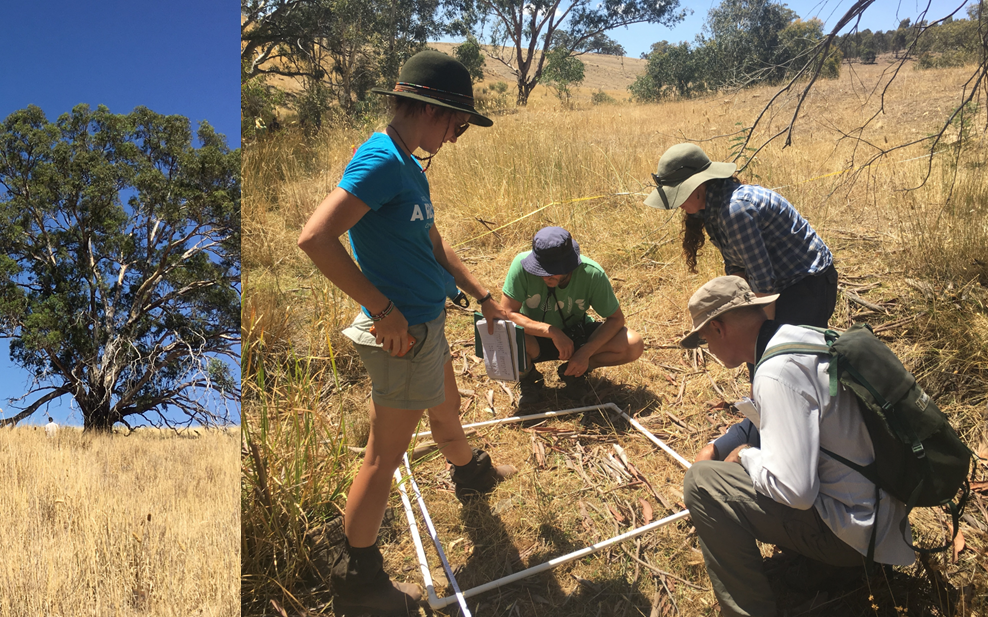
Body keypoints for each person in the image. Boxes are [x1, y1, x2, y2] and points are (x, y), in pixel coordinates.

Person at [291, 49, 520, 615]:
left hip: (427, 322)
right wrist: (382, 309)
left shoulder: (407, 162)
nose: (457, 136)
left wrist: (484, 296)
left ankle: (470, 472)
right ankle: (358, 582)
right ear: (433, 110)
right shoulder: (383, 161)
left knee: (448, 407)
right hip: (405, 334)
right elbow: (315, 238)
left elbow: (433, 242)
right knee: (383, 456)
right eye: (458, 125)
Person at [675, 275, 910, 617]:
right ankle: (826, 567)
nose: (708, 349)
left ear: (720, 328)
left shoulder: (774, 373)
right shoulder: (804, 337)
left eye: (705, 339)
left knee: (702, 482)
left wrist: (747, 458)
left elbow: (796, 491)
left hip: (856, 535)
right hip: (883, 518)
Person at [646, 143, 838, 347]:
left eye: (679, 192)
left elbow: (763, 283)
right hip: (777, 284)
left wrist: (763, 340)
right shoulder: (711, 209)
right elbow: (739, 269)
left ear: (699, 184)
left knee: (788, 355)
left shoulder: (734, 211)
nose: (677, 204)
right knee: (755, 352)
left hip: (806, 283)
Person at [487, 226, 644, 379]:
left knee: (633, 344)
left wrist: (586, 352)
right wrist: (551, 331)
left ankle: (575, 371)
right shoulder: (521, 265)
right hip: (534, 334)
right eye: (539, 269)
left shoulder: (591, 273)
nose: (545, 276)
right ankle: (529, 379)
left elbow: (616, 319)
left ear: (569, 265)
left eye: (552, 271)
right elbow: (508, 313)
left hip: (578, 334)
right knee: (502, 336)